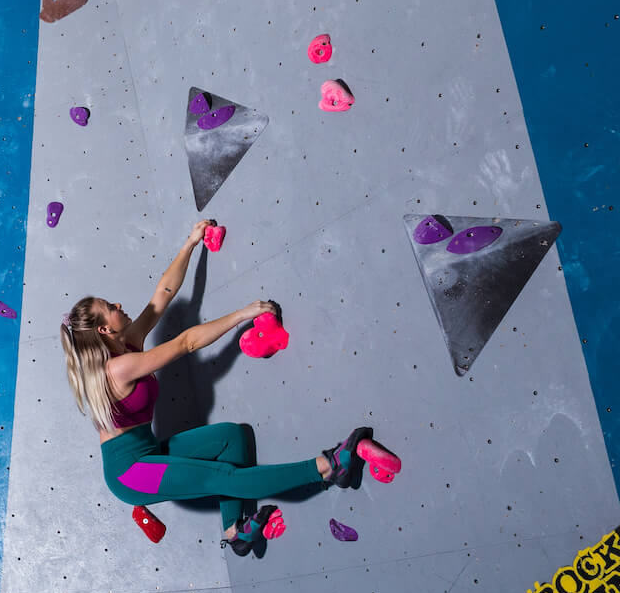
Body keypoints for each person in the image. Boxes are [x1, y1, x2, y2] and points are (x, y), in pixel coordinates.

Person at [61, 218, 400, 555]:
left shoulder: (128, 342)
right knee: (222, 475)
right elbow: (185, 344)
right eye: (110, 308)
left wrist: (191, 243)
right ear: (104, 331)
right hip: (131, 475)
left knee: (231, 438)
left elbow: (161, 296)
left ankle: (235, 531)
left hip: (147, 452)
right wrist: (243, 314)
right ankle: (328, 467)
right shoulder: (118, 368)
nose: (118, 305)